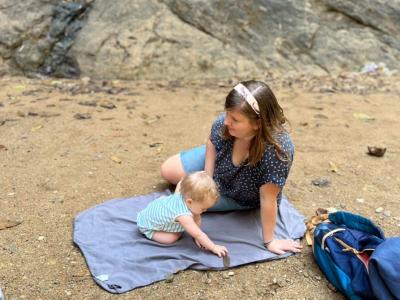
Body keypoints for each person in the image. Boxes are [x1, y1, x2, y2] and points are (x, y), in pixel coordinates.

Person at [160, 80, 303, 255]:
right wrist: (207, 178)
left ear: (258, 123)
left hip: (239, 192)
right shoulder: (226, 124)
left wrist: (270, 241)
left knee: (187, 202)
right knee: (168, 170)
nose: (226, 121)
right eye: (227, 114)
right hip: (221, 160)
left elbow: (268, 199)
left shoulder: (278, 151)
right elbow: (212, 142)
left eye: (235, 119)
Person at [137, 171, 228, 257]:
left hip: (156, 207)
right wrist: (213, 247)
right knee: (172, 238)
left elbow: (183, 181)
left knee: (196, 215)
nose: (205, 210)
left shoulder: (182, 192)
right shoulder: (184, 216)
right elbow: (199, 235)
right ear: (189, 202)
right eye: (203, 208)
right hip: (147, 225)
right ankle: (151, 233)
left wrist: (200, 177)